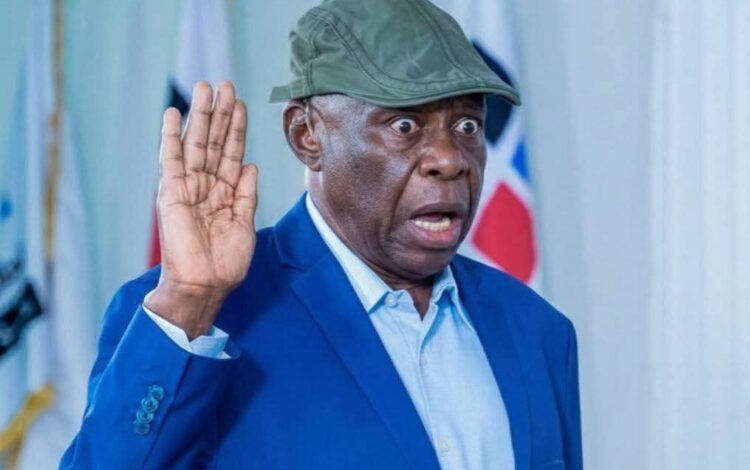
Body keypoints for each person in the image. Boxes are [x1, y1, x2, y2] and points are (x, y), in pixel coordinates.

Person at [61, 0, 581, 468]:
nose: (449, 159)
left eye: (467, 126)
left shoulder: (537, 330)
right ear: (307, 135)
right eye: (403, 125)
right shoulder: (194, 321)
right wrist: (189, 301)